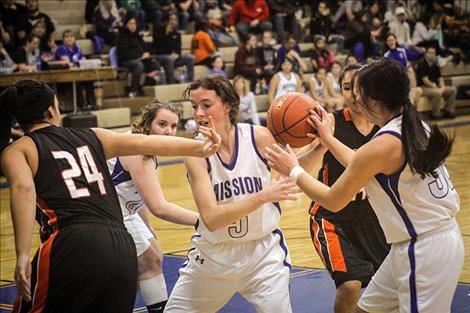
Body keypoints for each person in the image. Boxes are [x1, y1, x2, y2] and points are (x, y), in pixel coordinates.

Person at [0, 79, 221, 313]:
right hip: (119, 242)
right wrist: (199, 148)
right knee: (150, 259)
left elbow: (23, 191)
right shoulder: (91, 135)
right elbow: (145, 144)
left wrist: (22, 254)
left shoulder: (17, 150)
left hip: (71, 242)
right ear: (51, 110)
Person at [265, 58, 464, 313]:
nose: (354, 99)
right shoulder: (412, 125)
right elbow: (360, 162)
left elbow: (334, 199)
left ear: (374, 99)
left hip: (425, 250)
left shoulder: (384, 143)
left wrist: (293, 170)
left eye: (358, 93)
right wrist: (326, 138)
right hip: (415, 243)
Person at [165, 75, 298, 313]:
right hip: (214, 257)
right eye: (195, 107)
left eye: (206, 105)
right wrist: (262, 196)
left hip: (263, 254)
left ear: (227, 105)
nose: (198, 114)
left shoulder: (258, 137)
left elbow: (292, 173)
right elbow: (212, 219)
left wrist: (321, 144)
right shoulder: (195, 153)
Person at [304, 64, 390, 313]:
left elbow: (363, 161)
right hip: (332, 218)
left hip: (375, 219)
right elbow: (301, 165)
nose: (353, 94)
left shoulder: (385, 127)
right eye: (346, 87)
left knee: (388, 287)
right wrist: (320, 144)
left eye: (358, 87)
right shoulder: (331, 122)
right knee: (350, 285)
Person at [107, 101, 199, 313]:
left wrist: (148, 225)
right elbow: (160, 207)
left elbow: (135, 193)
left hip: (121, 208)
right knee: (147, 260)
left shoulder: (143, 143)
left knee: (154, 253)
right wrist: (203, 220)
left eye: (173, 126)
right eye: (163, 124)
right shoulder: (138, 151)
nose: (168, 132)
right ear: (148, 124)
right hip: (104, 210)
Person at [55, 30, 97, 111]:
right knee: (77, 81)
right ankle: (81, 106)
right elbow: (67, 63)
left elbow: (83, 60)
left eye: (71, 36)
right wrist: (78, 63)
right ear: (63, 39)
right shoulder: (62, 48)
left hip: (77, 75)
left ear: (74, 38)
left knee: (89, 79)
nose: (69, 38)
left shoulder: (77, 48)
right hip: (64, 78)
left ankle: (91, 104)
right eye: (67, 36)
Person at [153, 13, 195, 84]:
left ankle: (190, 81)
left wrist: (177, 55)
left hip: (173, 58)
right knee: (169, 59)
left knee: (190, 58)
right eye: (171, 19)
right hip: (162, 58)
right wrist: (166, 33)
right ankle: (171, 83)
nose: (173, 21)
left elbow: (178, 49)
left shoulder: (177, 34)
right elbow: (157, 47)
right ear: (167, 21)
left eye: (175, 20)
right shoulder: (159, 30)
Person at [416, 46, 456, 119]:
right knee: (437, 92)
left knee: (452, 90)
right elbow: (425, 81)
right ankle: (434, 114)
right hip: (423, 88)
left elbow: (440, 78)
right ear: (426, 54)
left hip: (435, 87)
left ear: (435, 55)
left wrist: (443, 86)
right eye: (429, 53)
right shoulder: (422, 64)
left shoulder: (435, 65)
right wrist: (437, 88)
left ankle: (448, 111)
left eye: (433, 53)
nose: (431, 54)